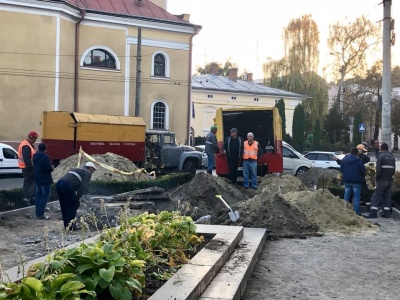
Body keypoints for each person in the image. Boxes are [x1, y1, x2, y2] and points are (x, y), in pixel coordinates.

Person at [55, 162, 97, 231]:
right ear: (90, 168)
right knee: (72, 205)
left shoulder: (76, 169)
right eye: (93, 170)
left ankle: (66, 225)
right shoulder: (87, 173)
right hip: (67, 185)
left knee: (64, 205)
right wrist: (77, 199)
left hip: (59, 184)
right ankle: (72, 227)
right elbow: (83, 187)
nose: (93, 172)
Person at [365, 142, 395, 218]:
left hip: (382, 180)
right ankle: (386, 213)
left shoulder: (381, 157)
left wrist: (377, 179)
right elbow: (393, 169)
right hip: (389, 179)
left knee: (376, 196)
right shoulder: (392, 157)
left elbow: (378, 171)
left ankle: (373, 213)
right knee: (387, 196)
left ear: (381, 148)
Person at [340, 147, 366, 215]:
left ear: (350, 152)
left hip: (347, 180)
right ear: (357, 153)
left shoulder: (344, 160)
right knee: (356, 197)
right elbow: (363, 170)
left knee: (346, 196)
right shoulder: (359, 160)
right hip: (356, 181)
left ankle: (344, 211)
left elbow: (341, 169)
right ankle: (356, 212)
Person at [18, 131, 39, 205]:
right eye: (35, 138)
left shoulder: (28, 144)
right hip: (27, 168)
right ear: (31, 137)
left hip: (28, 168)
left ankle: (30, 199)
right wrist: (31, 169)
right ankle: (26, 199)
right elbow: (27, 159)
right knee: (28, 184)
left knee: (30, 184)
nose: (36, 140)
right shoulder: (26, 146)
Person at [33, 143, 54, 220]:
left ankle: (37, 212)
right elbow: (48, 168)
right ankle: (40, 214)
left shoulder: (35, 156)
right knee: (45, 196)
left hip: (37, 178)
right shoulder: (45, 157)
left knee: (38, 196)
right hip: (45, 179)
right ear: (45, 149)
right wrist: (52, 168)